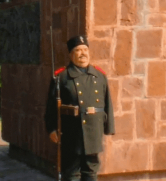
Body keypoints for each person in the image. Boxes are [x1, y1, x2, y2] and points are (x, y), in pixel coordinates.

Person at [45, 36, 115, 181]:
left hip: (93, 130)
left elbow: (107, 103)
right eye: (78, 50)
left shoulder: (99, 75)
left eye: (85, 49)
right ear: (71, 54)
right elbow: (51, 107)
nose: (83, 53)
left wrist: (109, 127)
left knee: (91, 171)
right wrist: (51, 128)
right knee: (72, 172)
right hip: (71, 132)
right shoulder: (62, 77)